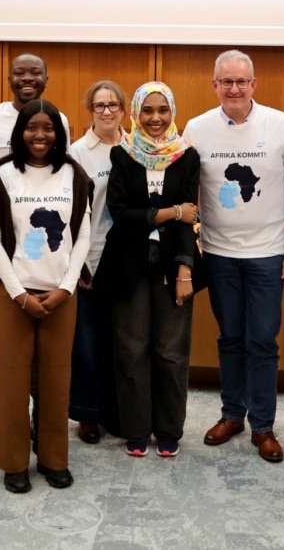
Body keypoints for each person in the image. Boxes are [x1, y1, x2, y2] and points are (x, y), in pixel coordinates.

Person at [182, 49, 284, 462]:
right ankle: (231, 415)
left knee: (262, 340)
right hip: (218, 253)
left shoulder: (281, 125)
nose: (234, 88)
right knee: (230, 338)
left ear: (253, 85)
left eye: (242, 81)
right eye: (227, 81)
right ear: (215, 85)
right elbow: (185, 189)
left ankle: (263, 426)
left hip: (269, 255)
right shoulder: (197, 128)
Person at [0, 99, 92, 493]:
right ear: (20, 132)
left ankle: (53, 458)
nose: (40, 135)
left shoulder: (74, 175)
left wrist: (65, 287)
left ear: (59, 133)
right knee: (12, 381)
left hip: (61, 293)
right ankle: (14, 462)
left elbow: (83, 236)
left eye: (48, 128)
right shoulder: (3, 173)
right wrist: (17, 293)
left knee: (56, 380)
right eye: (32, 128)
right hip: (13, 294)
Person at [100, 81, 200, 458]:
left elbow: (191, 223)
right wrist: (170, 212)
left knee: (171, 351)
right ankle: (136, 429)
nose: (155, 118)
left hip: (174, 263)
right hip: (127, 264)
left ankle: (169, 428)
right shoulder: (123, 155)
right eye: (147, 111)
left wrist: (186, 271)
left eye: (163, 110)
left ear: (172, 112)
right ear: (136, 114)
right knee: (131, 349)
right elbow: (121, 214)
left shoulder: (187, 156)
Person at [0, 53, 71, 391]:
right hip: (0, 243)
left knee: (47, 349)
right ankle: (10, 416)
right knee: (5, 339)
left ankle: (40, 424)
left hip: (47, 245)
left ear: (47, 78)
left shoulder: (61, 120)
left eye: (35, 73)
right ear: (9, 78)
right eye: (19, 73)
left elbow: (64, 177)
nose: (27, 78)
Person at [67, 80, 127, 444]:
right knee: (87, 343)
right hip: (90, 258)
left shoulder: (138, 148)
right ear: (90, 110)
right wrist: (77, 263)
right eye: (99, 105)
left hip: (129, 260)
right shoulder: (77, 153)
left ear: (123, 109)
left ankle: (117, 412)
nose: (107, 111)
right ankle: (88, 414)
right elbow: (72, 212)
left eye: (113, 104)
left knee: (122, 342)